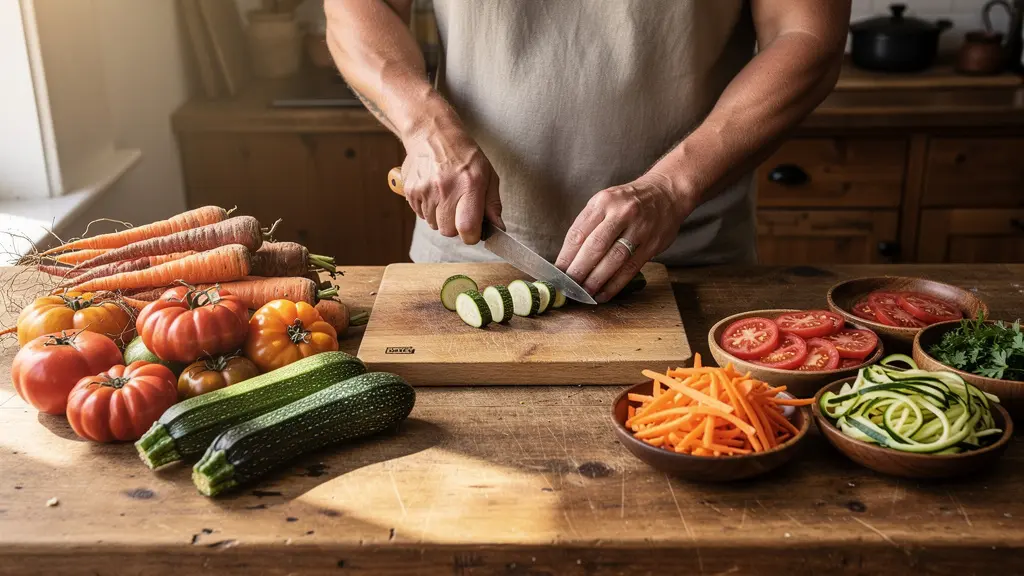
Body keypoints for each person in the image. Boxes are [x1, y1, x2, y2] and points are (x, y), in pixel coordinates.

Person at [326, 0, 849, 302]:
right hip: (468, 256)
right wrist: (423, 125)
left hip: (689, 267)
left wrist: (672, 187)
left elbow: (806, 33)